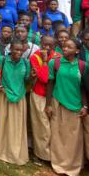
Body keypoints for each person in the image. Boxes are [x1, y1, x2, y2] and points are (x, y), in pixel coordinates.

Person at [45, 39, 85, 176]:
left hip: (75, 104)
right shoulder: (54, 63)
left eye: (69, 46)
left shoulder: (82, 66)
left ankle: (73, 168)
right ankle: (58, 164)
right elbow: (50, 82)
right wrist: (48, 104)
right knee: (58, 133)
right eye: (64, 46)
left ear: (77, 51)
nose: (65, 48)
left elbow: (84, 88)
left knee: (73, 137)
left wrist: (85, 106)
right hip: (57, 101)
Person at [0, 40, 33, 166]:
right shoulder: (2, 60)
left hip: (19, 98)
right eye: (16, 49)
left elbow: (28, 80)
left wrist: (33, 76)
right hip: (4, 96)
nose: (18, 52)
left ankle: (15, 153)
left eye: (21, 50)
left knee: (16, 126)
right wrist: (0, 86)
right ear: (10, 50)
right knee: (2, 125)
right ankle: (0, 151)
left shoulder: (26, 63)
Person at [29, 36, 55, 165]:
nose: (47, 48)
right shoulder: (35, 57)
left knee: (52, 127)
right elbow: (44, 79)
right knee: (42, 126)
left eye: (50, 45)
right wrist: (45, 61)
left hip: (54, 96)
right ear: (40, 44)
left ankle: (51, 153)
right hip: (39, 95)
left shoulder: (57, 56)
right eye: (45, 45)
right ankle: (40, 154)